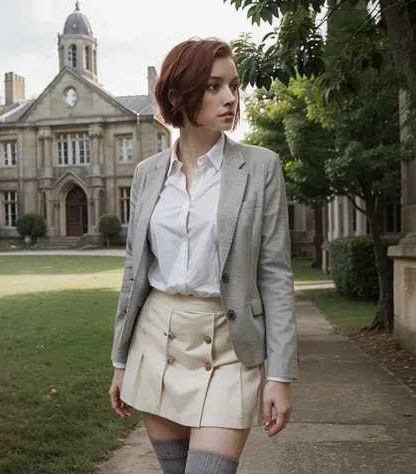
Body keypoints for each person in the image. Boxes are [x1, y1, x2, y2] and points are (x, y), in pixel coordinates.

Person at [109, 37, 298, 474]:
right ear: (178, 96)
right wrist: (121, 361)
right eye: (214, 86)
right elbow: (136, 271)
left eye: (234, 85)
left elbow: (275, 275)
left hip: (230, 346)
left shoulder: (261, 167)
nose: (231, 97)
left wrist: (281, 374)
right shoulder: (147, 174)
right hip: (157, 342)